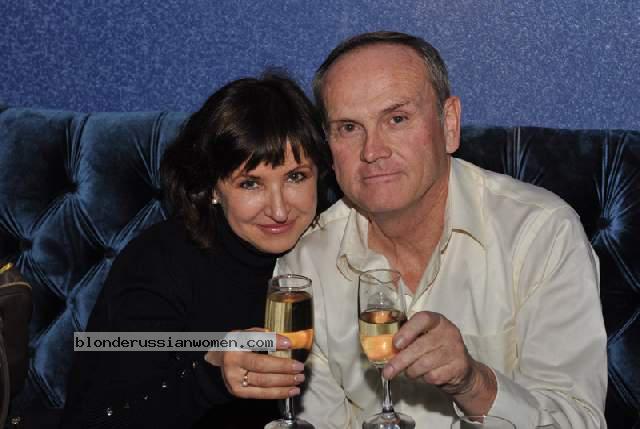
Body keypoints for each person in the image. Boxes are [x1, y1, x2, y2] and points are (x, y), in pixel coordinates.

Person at [268, 31, 606, 427]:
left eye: (397, 119)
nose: (372, 151)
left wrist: (474, 383)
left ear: (449, 124)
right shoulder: (307, 263)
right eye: (348, 128)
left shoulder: (540, 233)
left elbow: (579, 420)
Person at [60, 72, 330, 428]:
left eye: (296, 177)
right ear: (211, 188)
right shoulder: (157, 264)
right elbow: (99, 419)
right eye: (251, 183)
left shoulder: (332, 247)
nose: (279, 210)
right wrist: (209, 379)